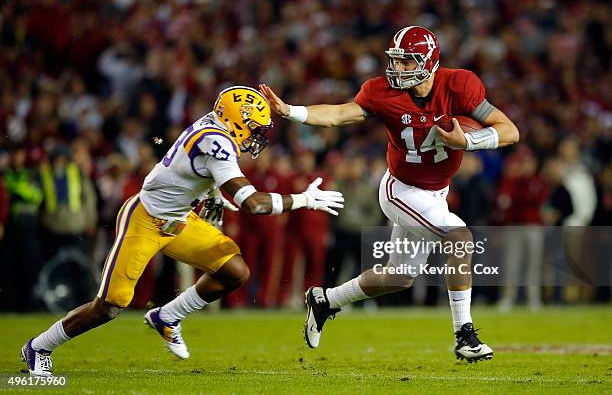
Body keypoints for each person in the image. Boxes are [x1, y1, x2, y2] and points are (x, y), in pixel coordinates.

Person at [21, 86, 344, 376]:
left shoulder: (214, 125)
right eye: (253, 128)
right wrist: (304, 199)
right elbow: (254, 204)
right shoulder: (216, 142)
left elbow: (187, 165)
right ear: (235, 120)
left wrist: (212, 193)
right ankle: (39, 346)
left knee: (234, 270)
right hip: (146, 219)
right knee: (111, 305)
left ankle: (167, 316)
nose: (255, 136)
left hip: (179, 220)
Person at [260, 26, 520, 362]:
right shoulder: (380, 92)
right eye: (395, 61)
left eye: (407, 62)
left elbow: (509, 131)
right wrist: (291, 111)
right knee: (460, 237)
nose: (397, 69)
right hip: (402, 189)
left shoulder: (459, 84)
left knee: (399, 277)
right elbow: (339, 115)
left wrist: (467, 142)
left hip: (436, 193)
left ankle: (325, 300)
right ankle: (464, 334)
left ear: (429, 61)